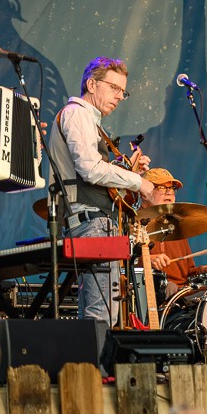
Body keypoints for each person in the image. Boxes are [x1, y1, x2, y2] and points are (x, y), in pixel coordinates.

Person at [50, 57, 154, 323]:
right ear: (92, 84)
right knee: (100, 313)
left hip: (95, 220)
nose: (119, 96)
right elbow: (90, 169)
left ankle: (92, 363)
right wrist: (137, 182)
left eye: (123, 91)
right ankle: (93, 365)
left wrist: (130, 172)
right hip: (89, 221)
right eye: (114, 88)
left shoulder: (89, 120)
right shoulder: (77, 113)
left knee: (105, 311)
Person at [137, 167, 207, 301]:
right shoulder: (132, 224)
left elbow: (188, 272)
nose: (168, 193)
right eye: (161, 188)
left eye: (171, 188)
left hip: (182, 295)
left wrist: (204, 270)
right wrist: (146, 261)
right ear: (144, 193)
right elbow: (121, 266)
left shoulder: (176, 226)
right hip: (147, 296)